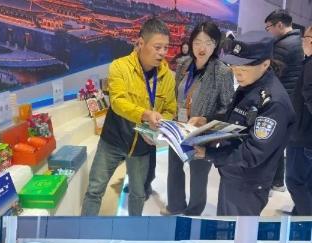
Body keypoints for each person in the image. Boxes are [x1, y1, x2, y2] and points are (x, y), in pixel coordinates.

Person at [193, 31, 295, 216]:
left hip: (247, 184)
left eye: (244, 67)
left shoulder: (273, 102)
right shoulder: (250, 84)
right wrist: (207, 119)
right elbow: (236, 117)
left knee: (236, 231)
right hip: (233, 172)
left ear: (265, 64)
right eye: (234, 65)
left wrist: (209, 154)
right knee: (224, 225)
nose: (237, 72)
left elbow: (252, 153)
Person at [82, 18, 176, 216]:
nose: (162, 53)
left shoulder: (167, 77)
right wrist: (146, 114)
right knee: (94, 190)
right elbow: (117, 102)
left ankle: (133, 231)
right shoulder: (119, 67)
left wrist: (157, 127)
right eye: (157, 47)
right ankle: (85, 230)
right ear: (141, 43)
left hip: (142, 146)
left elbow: (170, 109)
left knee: (138, 194)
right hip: (113, 140)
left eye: (166, 48)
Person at [165, 22, 234, 216]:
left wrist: (206, 119)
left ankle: (193, 213)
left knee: (198, 176)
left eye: (208, 42)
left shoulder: (222, 71)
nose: (202, 48)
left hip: (203, 134)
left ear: (216, 44)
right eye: (197, 42)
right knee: (174, 169)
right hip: (179, 127)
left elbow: (227, 108)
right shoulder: (183, 64)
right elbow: (176, 94)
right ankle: (175, 206)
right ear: (191, 43)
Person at [264, 9, 304, 192]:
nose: (268, 32)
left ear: (279, 24)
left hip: (279, 99)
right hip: (291, 99)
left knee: (272, 142)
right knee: (278, 141)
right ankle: (278, 181)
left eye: (269, 28)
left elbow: (271, 74)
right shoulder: (297, 41)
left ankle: (274, 181)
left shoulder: (283, 45)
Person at [285, 25, 312, 215]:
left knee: (295, 181)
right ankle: (299, 214)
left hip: (302, 134)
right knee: (307, 181)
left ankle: (305, 219)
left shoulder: (310, 65)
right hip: (305, 133)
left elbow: (309, 95)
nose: (303, 41)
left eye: (305, 38)